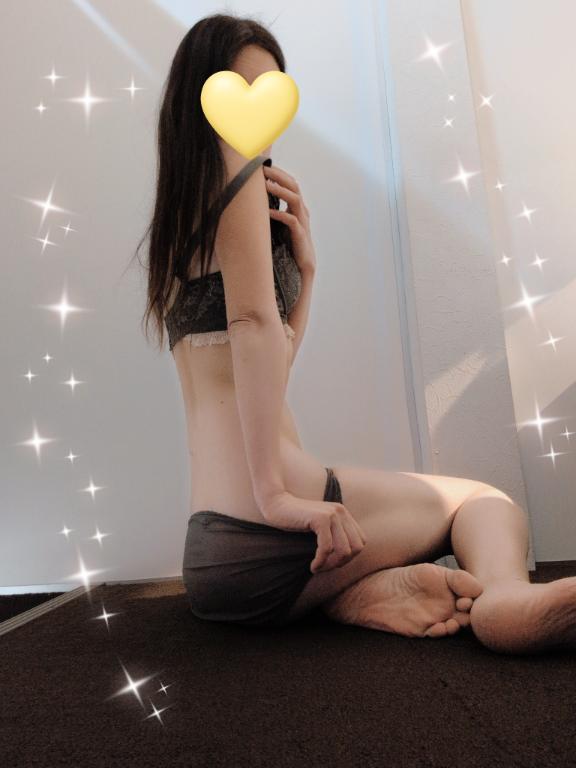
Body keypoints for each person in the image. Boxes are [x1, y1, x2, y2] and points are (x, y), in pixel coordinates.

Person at [136, 13, 576, 655]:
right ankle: (504, 602)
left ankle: (347, 594)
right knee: (480, 503)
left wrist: (306, 274)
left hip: (213, 557)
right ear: (203, 100)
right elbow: (253, 324)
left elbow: (263, 366)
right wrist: (278, 500)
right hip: (276, 521)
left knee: (398, 510)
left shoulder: (175, 233)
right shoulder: (236, 178)